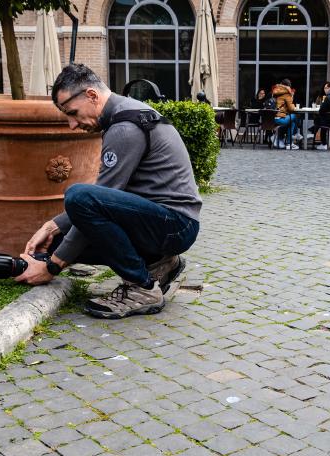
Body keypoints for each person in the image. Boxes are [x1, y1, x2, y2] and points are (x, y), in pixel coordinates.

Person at [15, 63, 202, 320]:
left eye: (72, 113)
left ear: (91, 95)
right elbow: (103, 201)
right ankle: (160, 264)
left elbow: (91, 202)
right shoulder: (123, 115)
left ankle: (141, 288)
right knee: (57, 242)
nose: (71, 124)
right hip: (161, 221)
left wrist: (52, 267)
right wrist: (52, 228)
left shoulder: (125, 127)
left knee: (78, 198)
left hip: (176, 225)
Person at [309, 81, 330, 150]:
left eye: (327, 88)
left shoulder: (328, 98)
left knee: (318, 120)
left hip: (328, 123)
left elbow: (321, 111)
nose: (325, 89)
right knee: (321, 119)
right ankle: (313, 130)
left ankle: (323, 143)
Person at [272, 78, 300, 150]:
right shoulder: (287, 94)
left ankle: (286, 141)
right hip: (280, 119)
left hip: (272, 119)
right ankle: (295, 135)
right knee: (294, 116)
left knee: (291, 122)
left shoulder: (274, 92)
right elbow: (291, 108)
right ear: (289, 86)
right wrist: (292, 100)